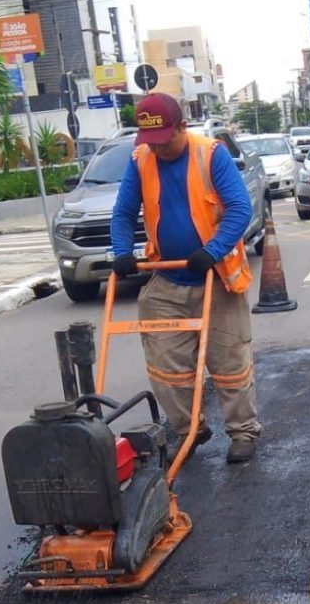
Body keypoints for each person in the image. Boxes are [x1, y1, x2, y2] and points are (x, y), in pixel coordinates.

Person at [109, 92, 261, 464]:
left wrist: (212, 250)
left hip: (216, 274)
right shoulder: (141, 158)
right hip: (167, 277)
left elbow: (240, 209)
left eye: (165, 140)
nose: (158, 149)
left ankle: (242, 432)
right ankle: (189, 429)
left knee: (229, 365)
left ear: (181, 126)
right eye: (152, 143)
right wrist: (122, 251)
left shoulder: (210, 154)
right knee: (165, 369)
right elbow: (124, 212)